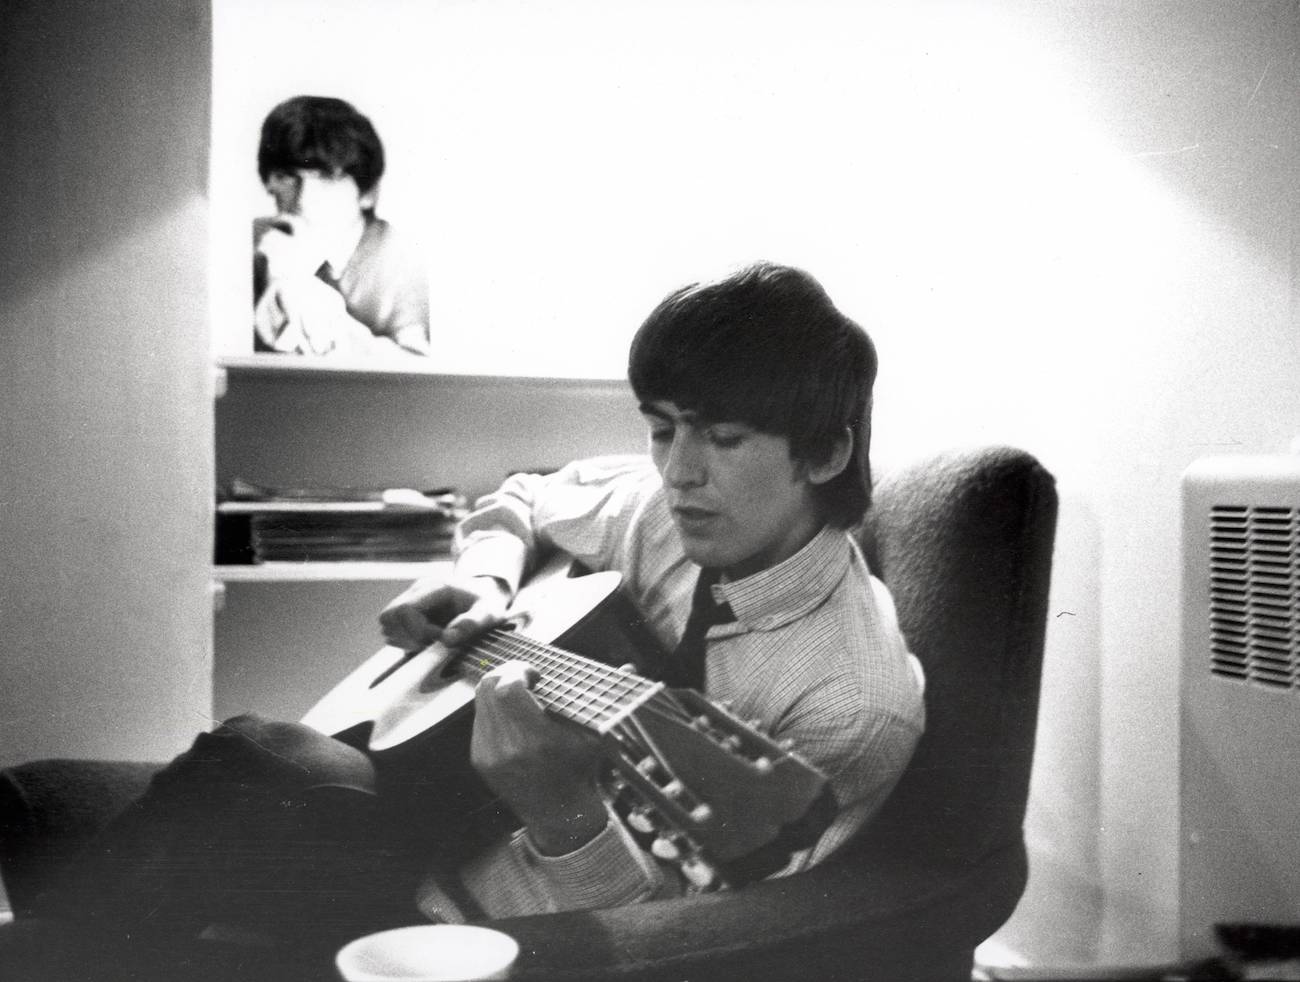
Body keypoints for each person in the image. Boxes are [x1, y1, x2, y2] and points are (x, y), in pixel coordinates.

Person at [52, 262, 923, 947]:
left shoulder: (853, 701)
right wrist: (488, 579)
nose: (678, 470)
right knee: (143, 788)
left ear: (824, 452)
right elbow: (526, 495)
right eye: (661, 428)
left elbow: (695, 935)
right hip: (435, 812)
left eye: (723, 438)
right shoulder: (664, 514)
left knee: (255, 759)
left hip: (486, 929)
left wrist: (567, 814)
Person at [252, 95, 430, 357]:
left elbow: (418, 376)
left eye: (326, 178)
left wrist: (298, 285)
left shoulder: (403, 257)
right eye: (287, 177)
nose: (303, 199)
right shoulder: (253, 247)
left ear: (367, 192)